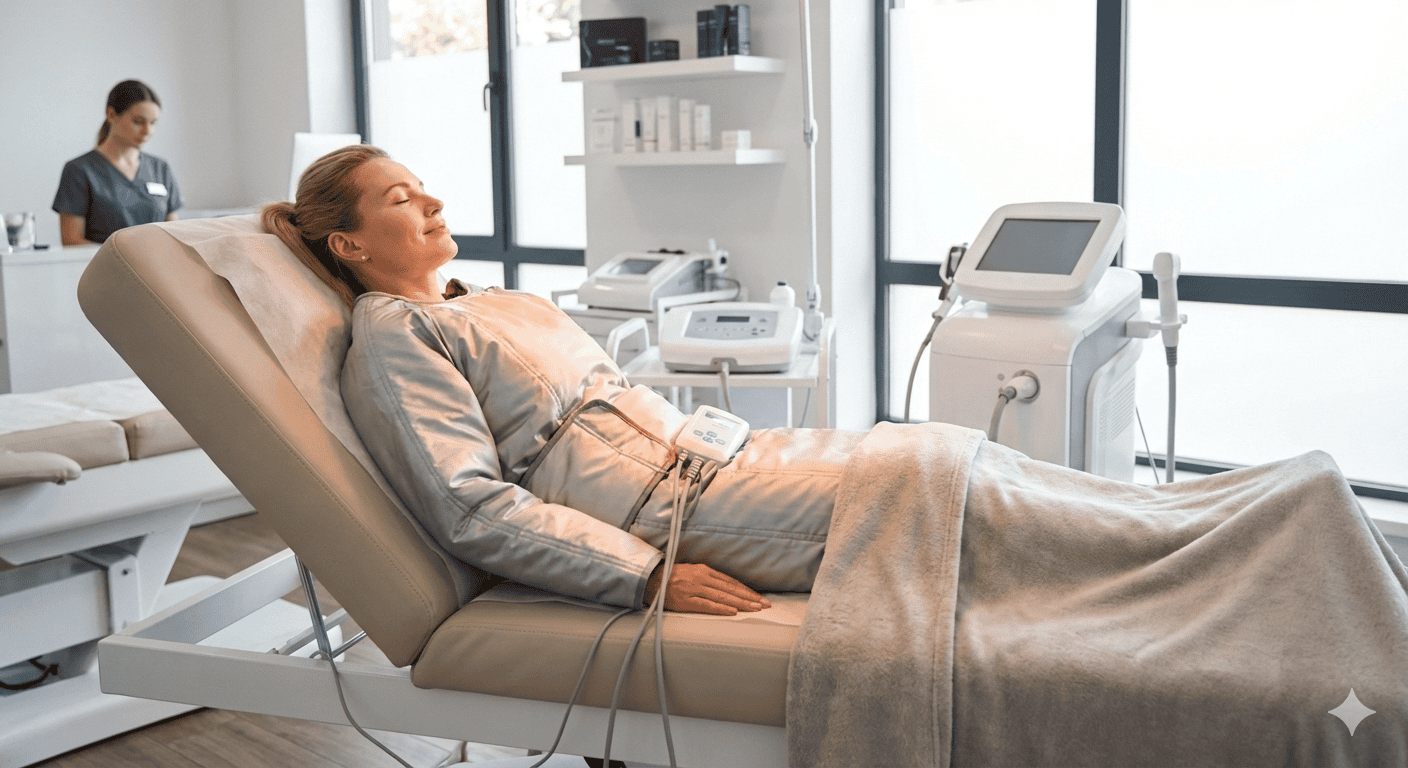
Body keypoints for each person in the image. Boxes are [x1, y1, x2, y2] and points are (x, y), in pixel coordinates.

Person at [263, 144, 856, 616]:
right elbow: (467, 505)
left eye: (423, 189)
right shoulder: (394, 336)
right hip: (669, 510)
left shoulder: (491, 301)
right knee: (920, 495)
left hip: (721, 459)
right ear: (349, 243)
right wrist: (644, 575)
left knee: (928, 457)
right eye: (401, 200)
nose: (434, 202)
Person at [53, 80, 182, 246]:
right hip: (107, 269)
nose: (147, 131)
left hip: (157, 270)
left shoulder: (160, 169)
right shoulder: (79, 171)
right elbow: (72, 241)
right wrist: (125, 259)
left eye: (153, 123)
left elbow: (174, 234)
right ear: (111, 115)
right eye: (138, 121)